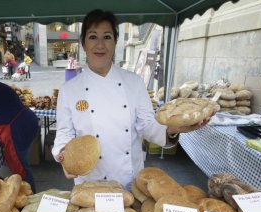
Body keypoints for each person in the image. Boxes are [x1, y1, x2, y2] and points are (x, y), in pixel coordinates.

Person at [52, 9, 211, 191]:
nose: (100, 45)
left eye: (107, 36)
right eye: (93, 37)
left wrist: (174, 128)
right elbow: (64, 133)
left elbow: (148, 125)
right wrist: (63, 156)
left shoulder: (133, 82)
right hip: (89, 185)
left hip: (129, 183)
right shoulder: (69, 90)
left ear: (115, 42)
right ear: (83, 43)